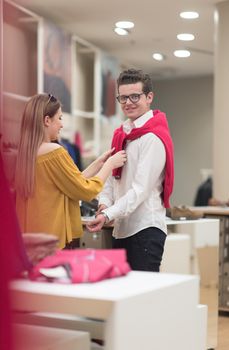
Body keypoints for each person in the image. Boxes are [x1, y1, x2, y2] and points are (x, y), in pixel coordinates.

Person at [87, 68, 174, 272]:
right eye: (123, 97)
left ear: (149, 97)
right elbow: (112, 178)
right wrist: (104, 204)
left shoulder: (153, 137)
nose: (128, 102)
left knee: (143, 301)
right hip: (121, 229)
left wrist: (108, 214)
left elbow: (140, 190)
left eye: (135, 96)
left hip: (145, 229)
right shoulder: (122, 133)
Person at [15, 93, 127, 249]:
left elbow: (70, 183)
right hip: (53, 240)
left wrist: (98, 164)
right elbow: (85, 190)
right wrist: (110, 165)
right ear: (47, 120)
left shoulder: (26, 154)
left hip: (31, 239)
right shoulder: (55, 152)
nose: (62, 124)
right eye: (59, 118)